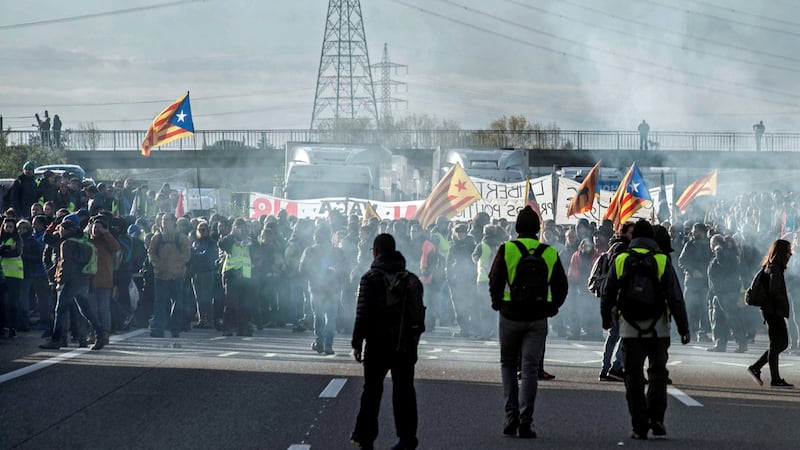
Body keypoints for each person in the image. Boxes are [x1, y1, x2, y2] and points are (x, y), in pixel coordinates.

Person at [601, 220, 690, 440]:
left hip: (629, 326)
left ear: (633, 237)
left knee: (633, 375)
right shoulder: (661, 260)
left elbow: (607, 292)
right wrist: (683, 327)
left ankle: (639, 425)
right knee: (658, 372)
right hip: (659, 326)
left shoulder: (621, 259)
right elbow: (675, 297)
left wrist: (606, 319)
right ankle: (657, 418)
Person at [488, 206, 568, 439]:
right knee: (531, 368)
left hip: (510, 314)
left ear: (516, 228)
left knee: (508, 364)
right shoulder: (549, 252)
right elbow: (561, 286)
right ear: (538, 229)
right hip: (537, 317)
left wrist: (498, 304)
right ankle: (526, 420)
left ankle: (510, 415)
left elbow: (495, 279)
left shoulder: (507, 249)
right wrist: (552, 308)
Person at [350, 233, 424, 450]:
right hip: (405, 344)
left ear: (375, 251)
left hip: (377, 343)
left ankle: (365, 438)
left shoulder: (370, 278)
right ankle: (407, 439)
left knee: (372, 391)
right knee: (405, 391)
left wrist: (357, 342)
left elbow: (362, 313)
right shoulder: (412, 279)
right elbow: (419, 314)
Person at [39, 219, 109, 350]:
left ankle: (56, 339)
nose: (59, 232)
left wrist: (61, 281)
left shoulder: (66, 244)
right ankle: (101, 334)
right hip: (84, 280)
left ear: (64, 230)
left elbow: (66, 264)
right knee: (86, 310)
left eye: (60, 229)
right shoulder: (86, 243)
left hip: (71, 282)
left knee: (60, 310)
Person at [747, 239, 794, 388]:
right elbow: (773, 291)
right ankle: (775, 379)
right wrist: (781, 302)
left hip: (772, 311)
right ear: (781, 252)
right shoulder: (774, 269)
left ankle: (756, 367)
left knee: (781, 343)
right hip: (773, 311)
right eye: (788, 251)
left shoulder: (773, 267)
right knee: (777, 344)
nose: (790, 254)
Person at [148, 213, 191, 338]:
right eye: (163, 220)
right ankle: (158, 329)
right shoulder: (157, 238)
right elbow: (151, 253)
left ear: (173, 221)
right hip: (160, 275)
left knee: (178, 303)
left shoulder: (181, 237)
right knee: (159, 303)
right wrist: (157, 266)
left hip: (176, 276)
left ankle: (175, 328)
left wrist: (176, 267)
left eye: (167, 220)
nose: (164, 222)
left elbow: (186, 254)